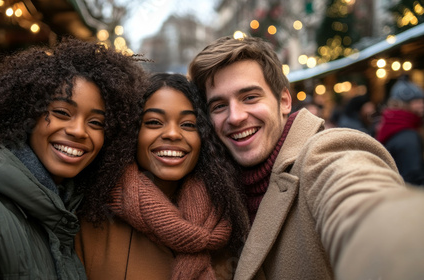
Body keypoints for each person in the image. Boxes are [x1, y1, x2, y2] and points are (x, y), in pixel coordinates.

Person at [188, 36, 424, 280]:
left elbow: (361, 201)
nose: (235, 117)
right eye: (219, 106)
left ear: (284, 101)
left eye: (250, 97)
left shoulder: (323, 152)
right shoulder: (212, 187)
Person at [0, 38, 147, 279]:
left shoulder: (70, 213)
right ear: (27, 114)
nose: (79, 131)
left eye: (96, 123)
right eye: (62, 113)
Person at [75, 73, 249, 279]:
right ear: (131, 134)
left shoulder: (232, 221)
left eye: (188, 125)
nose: (173, 134)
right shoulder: (89, 215)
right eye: (154, 122)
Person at [376, 75, 424, 186]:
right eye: (416, 101)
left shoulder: (391, 123)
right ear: (402, 104)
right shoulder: (407, 135)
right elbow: (413, 177)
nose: (422, 105)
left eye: (422, 100)